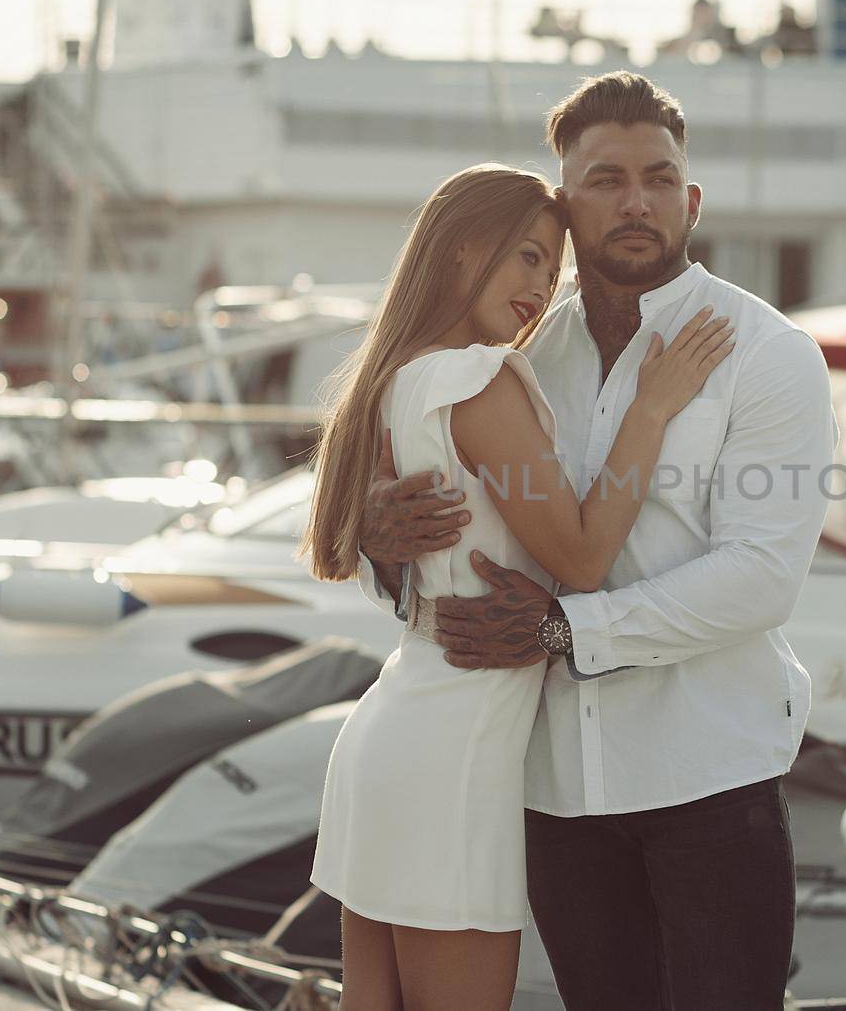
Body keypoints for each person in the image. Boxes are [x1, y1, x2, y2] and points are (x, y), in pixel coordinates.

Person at [358, 72, 838, 1010]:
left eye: (659, 178)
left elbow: (761, 577)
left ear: (690, 200)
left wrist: (565, 633)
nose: (636, 200)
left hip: (710, 777)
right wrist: (385, 541)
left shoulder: (768, 354)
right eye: (606, 179)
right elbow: (458, 556)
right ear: (564, 206)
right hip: (554, 788)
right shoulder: (515, 356)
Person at [301, 162, 735, 1011]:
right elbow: (578, 557)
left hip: (397, 736)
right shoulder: (477, 377)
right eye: (526, 256)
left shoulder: (400, 378)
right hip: (452, 758)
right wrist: (650, 410)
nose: (542, 286)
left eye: (551, 266)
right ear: (463, 251)